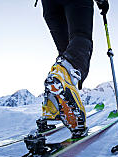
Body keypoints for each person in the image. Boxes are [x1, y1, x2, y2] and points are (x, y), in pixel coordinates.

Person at [40, 0, 109, 138]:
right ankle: (62, 80)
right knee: (80, 39)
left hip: (49, 4)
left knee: (66, 52)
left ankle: (53, 106)